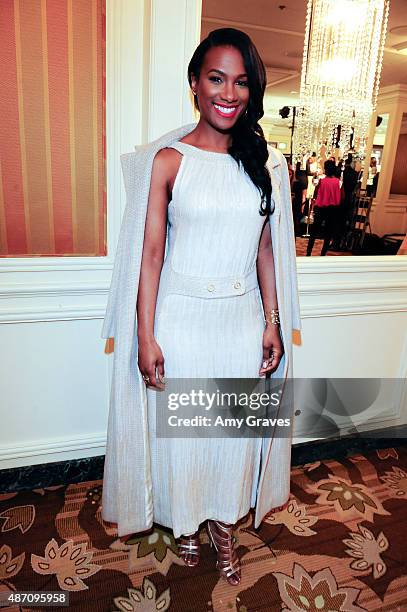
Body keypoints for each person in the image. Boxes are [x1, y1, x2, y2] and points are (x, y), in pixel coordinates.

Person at [100, 28, 301, 586]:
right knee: (188, 436)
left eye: (241, 82)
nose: (228, 92)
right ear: (195, 83)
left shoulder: (265, 164)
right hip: (182, 320)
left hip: (239, 323)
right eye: (216, 78)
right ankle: (187, 523)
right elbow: (150, 257)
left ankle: (222, 526)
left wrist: (272, 323)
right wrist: (145, 336)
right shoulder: (167, 161)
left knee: (230, 436)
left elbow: (266, 251)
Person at [306, 159, 342, 256]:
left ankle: (308, 252)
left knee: (314, 232)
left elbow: (315, 194)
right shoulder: (337, 182)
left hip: (321, 208)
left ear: (326, 169)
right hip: (333, 209)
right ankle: (323, 254)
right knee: (328, 233)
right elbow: (341, 196)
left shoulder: (322, 181)